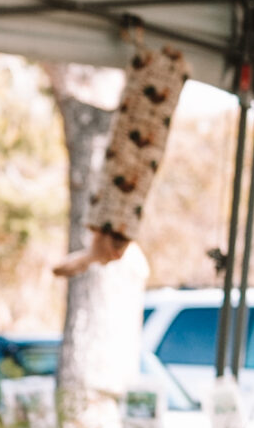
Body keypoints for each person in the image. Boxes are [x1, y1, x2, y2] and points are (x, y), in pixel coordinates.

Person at [51, 30, 189, 276]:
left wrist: (86, 260)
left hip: (134, 147)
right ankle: (146, 49)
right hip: (135, 148)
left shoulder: (114, 215)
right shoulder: (115, 216)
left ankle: (146, 48)